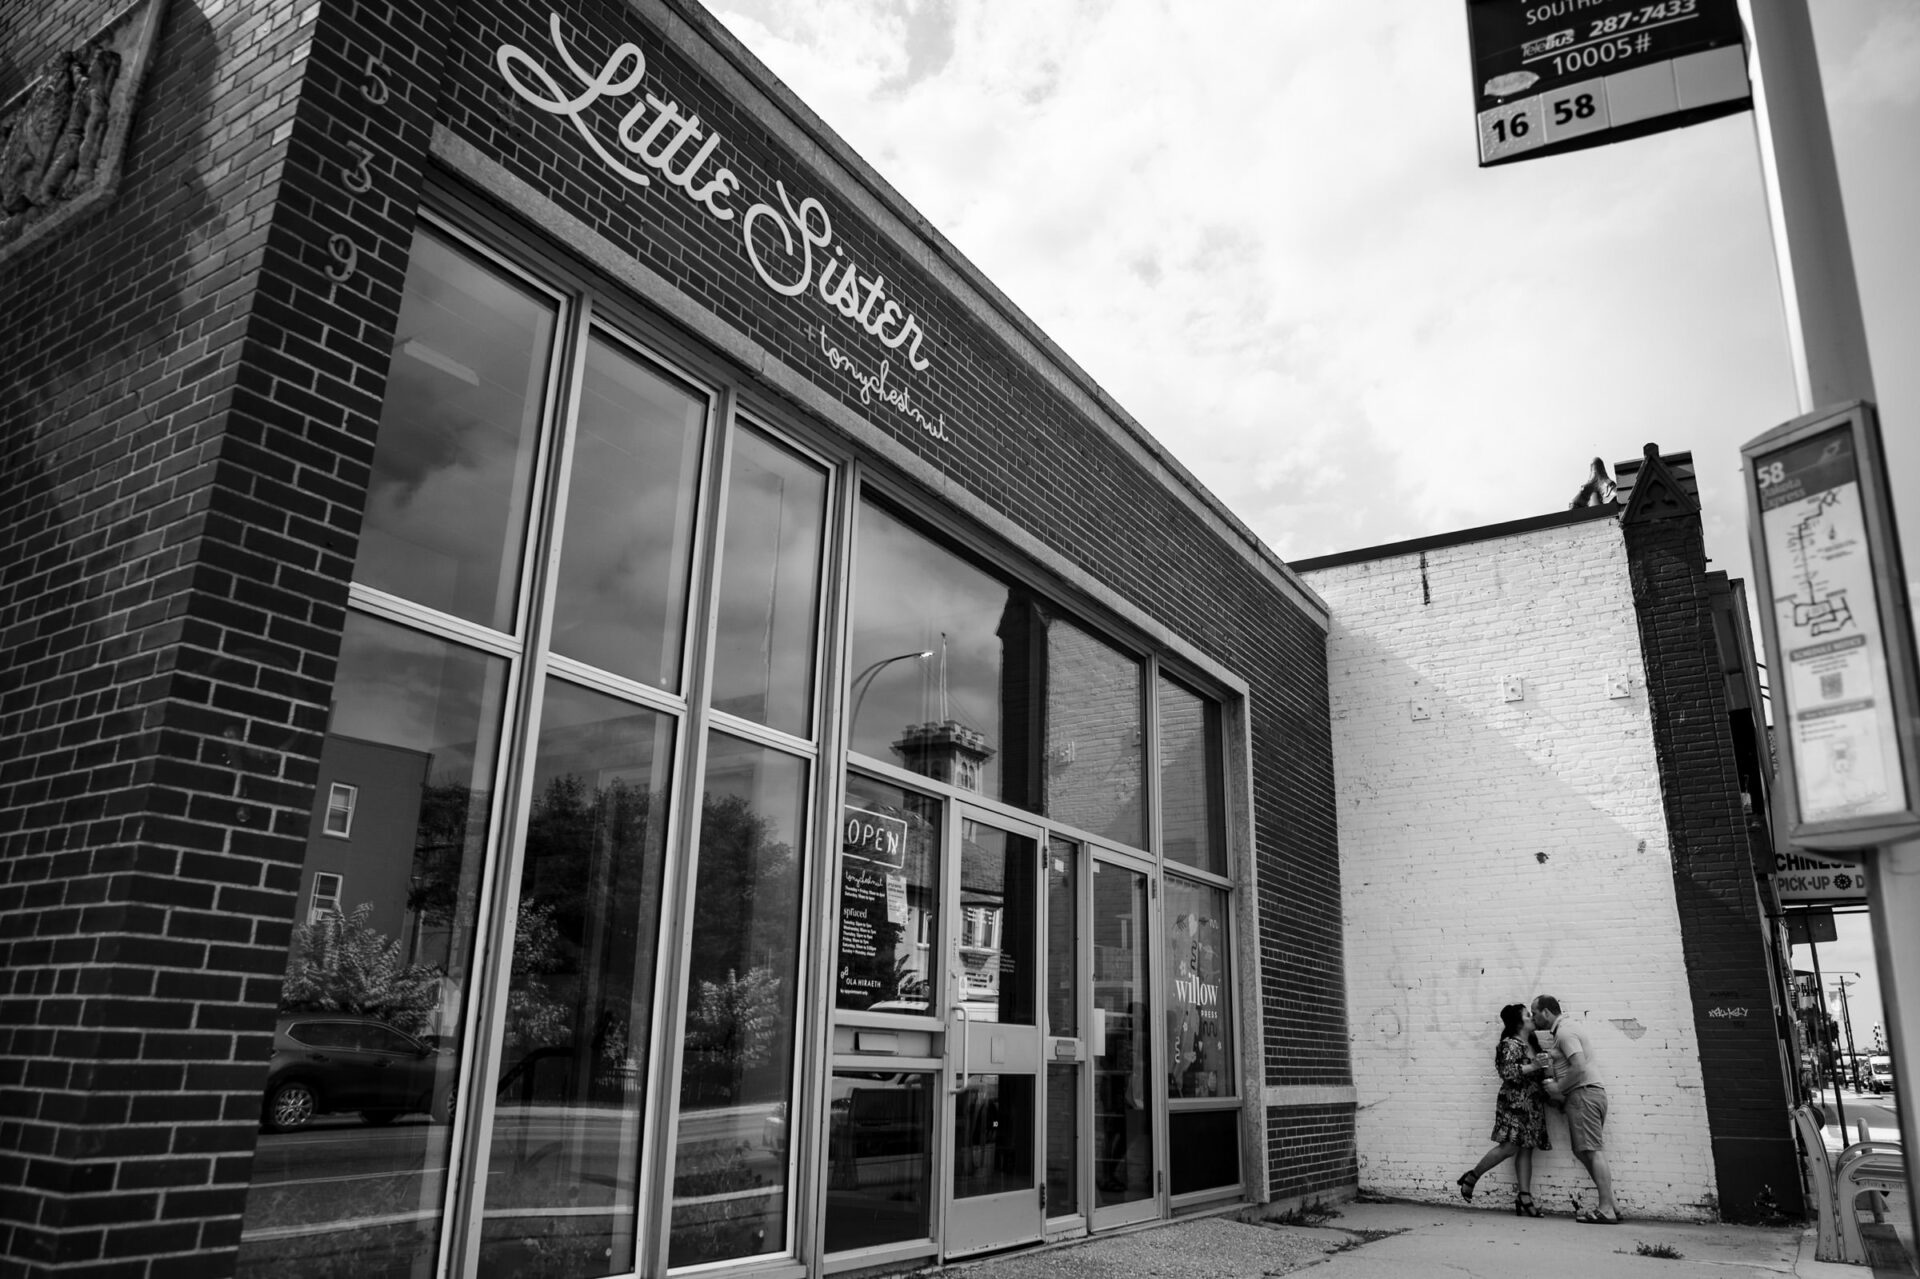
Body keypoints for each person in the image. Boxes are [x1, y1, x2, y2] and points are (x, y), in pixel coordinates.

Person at [1532, 994, 1623, 1224]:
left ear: (1546, 1012)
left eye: (1535, 1013)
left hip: (1584, 1094)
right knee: (1583, 1151)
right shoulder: (1565, 1030)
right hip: (1586, 1094)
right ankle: (1611, 1204)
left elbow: (1579, 1067)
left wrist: (1558, 1088)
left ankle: (1606, 1210)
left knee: (1591, 1150)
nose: (1533, 1018)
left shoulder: (1564, 1032)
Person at [1456, 1003, 1552, 1215]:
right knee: (1510, 1147)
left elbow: (1539, 1072)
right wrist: (1535, 1065)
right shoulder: (1510, 1044)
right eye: (1528, 1015)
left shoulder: (1533, 1043)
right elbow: (1507, 1073)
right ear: (1519, 1022)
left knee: (1527, 1148)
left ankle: (1524, 1197)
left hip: (1533, 1103)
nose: (1532, 1018)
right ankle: (1473, 1176)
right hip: (1514, 1103)